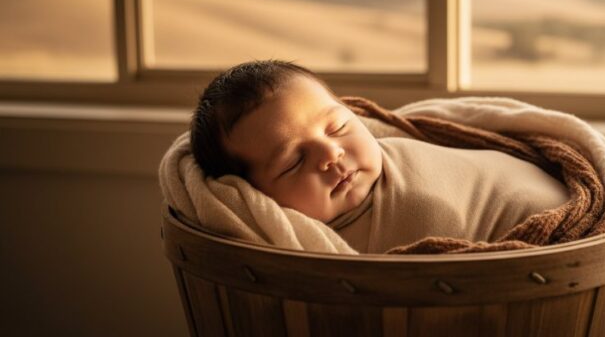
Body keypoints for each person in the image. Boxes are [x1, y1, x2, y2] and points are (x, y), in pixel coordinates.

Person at [190, 60, 569, 253]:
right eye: (292, 162)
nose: (330, 154)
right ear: (252, 194)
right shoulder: (312, 244)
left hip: (548, 218)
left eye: (337, 126)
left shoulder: (400, 159)